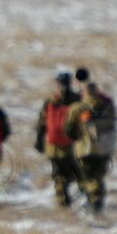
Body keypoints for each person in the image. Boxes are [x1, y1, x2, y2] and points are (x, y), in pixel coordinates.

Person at [65, 74, 117, 212]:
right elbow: (112, 124)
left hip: (84, 149)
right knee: (98, 176)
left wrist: (77, 138)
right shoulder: (107, 106)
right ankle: (97, 201)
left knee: (88, 177)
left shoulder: (77, 108)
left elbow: (69, 129)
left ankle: (93, 202)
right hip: (104, 148)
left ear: (84, 92)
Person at [34, 70, 81, 209]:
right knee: (78, 173)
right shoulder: (77, 100)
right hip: (73, 146)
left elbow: (42, 124)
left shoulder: (51, 101)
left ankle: (63, 202)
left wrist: (39, 141)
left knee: (59, 175)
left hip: (54, 146)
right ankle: (85, 201)